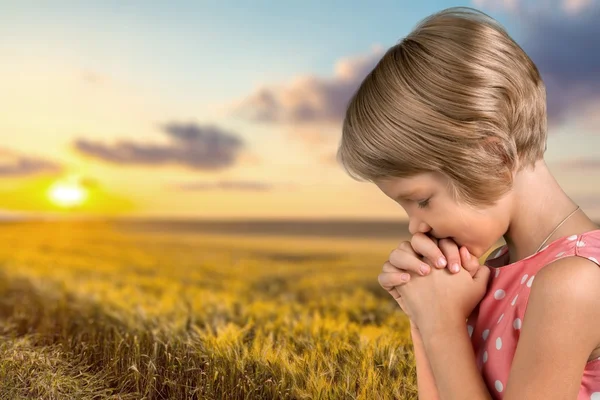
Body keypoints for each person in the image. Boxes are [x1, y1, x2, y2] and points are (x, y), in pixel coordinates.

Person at [336, 6, 600, 400]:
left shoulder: (575, 282)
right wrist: (424, 316)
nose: (415, 226)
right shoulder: (486, 276)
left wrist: (442, 325)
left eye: (422, 199)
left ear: (493, 156)